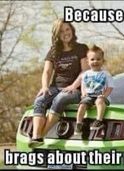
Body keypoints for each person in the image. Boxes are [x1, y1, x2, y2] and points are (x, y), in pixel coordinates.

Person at [29, 18, 89, 148]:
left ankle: (41, 136)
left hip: (76, 89)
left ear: (72, 30)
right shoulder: (53, 51)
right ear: (57, 34)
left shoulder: (81, 48)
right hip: (55, 87)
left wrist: (73, 86)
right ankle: (35, 136)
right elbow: (46, 71)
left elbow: (85, 71)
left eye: (67, 29)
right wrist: (45, 87)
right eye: (61, 31)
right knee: (40, 99)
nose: (65, 33)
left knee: (61, 98)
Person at [74, 45, 114, 134]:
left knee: (99, 101)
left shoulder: (106, 74)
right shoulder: (86, 74)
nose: (95, 61)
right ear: (88, 62)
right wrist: (83, 93)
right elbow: (83, 85)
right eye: (92, 59)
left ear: (103, 61)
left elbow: (110, 87)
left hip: (101, 96)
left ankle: (99, 120)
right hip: (89, 96)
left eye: (98, 59)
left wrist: (104, 96)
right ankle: (79, 123)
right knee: (82, 105)